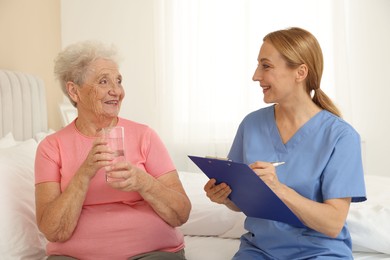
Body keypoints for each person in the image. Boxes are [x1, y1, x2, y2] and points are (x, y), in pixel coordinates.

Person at [204, 27, 366, 259]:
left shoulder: (341, 136)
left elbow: (333, 223)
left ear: (300, 72)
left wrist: (279, 189)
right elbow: (241, 203)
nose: (256, 75)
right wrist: (225, 196)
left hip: (319, 252)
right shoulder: (251, 124)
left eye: (266, 66)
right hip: (259, 251)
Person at [34, 41, 191, 260]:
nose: (116, 91)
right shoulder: (51, 147)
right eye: (104, 81)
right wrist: (84, 173)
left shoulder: (145, 136)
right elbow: (53, 230)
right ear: (73, 90)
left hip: (151, 253)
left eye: (118, 81)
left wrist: (142, 181)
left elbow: (181, 213)